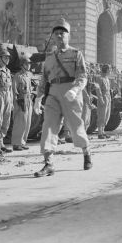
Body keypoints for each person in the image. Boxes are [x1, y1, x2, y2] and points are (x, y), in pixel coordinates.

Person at [33, 19, 92, 176]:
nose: (59, 36)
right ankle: (48, 163)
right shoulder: (50, 57)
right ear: (53, 37)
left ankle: (86, 152)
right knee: (49, 126)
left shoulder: (76, 54)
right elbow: (44, 78)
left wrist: (76, 89)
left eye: (62, 33)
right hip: (53, 93)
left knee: (75, 126)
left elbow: (82, 76)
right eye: (56, 33)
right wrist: (39, 97)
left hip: (70, 92)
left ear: (68, 36)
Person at [11, 53, 33, 151]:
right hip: (21, 101)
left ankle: (23, 142)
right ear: (22, 65)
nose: (29, 65)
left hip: (28, 100)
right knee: (20, 122)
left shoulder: (28, 76)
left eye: (29, 64)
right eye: (27, 64)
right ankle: (16, 143)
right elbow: (14, 90)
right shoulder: (17, 76)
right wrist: (15, 102)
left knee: (27, 122)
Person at [95, 64, 112, 139]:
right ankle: (99, 132)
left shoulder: (107, 78)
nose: (110, 70)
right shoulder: (99, 78)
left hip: (108, 97)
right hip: (103, 97)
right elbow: (98, 89)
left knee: (106, 115)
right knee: (102, 115)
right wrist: (101, 99)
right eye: (109, 69)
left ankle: (103, 131)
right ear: (106, 69)